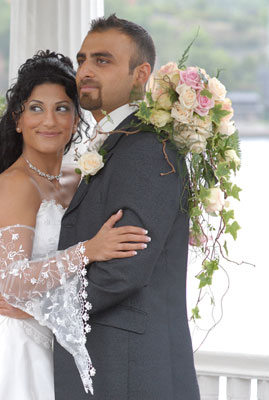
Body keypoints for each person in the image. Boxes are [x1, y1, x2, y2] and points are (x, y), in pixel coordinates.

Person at [0, 50, 150, 399]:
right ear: (17, 120)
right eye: (36, 108)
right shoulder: (15, 185)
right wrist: (88, 251)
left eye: (61, 108)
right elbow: (13, 283)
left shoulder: (77, 179)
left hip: (56, 338)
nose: (49, 120)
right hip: (15, 350)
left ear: (76, 120)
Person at [50, 14, 200, 399]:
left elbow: (122, 272)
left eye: (102, 60)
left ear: (140, 74)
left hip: (129, 371)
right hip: (105, 365)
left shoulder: (149, 148)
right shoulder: (115, 143)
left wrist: (44, 308)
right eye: (82, 59)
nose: (85, 70)